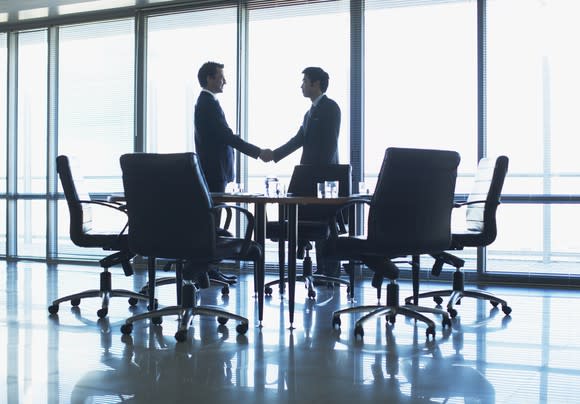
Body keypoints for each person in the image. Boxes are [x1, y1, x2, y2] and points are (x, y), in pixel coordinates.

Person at [260, 67, 342, 277]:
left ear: (316, 84)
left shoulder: (330, 108)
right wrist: (273, 154)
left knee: (326, 223)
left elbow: (330, 145)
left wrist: (317, 176)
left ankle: (329, 273)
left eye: (305, 81)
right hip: (310, 178)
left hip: (323, 180)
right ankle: (320, 270)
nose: (301, 85)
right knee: (315, 222)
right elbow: (298, 140)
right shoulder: (310, 112)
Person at [194, 61, 268, 284]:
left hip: (216, 171)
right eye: (220, 77)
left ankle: (209, 269)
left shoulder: (208, 102)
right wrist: (258, 152)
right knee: (211, 223)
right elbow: (226, 136)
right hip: (214, 171)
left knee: (213, 223)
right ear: (209, 78)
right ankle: (205, 269)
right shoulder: (207, 103)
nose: (224, 81)